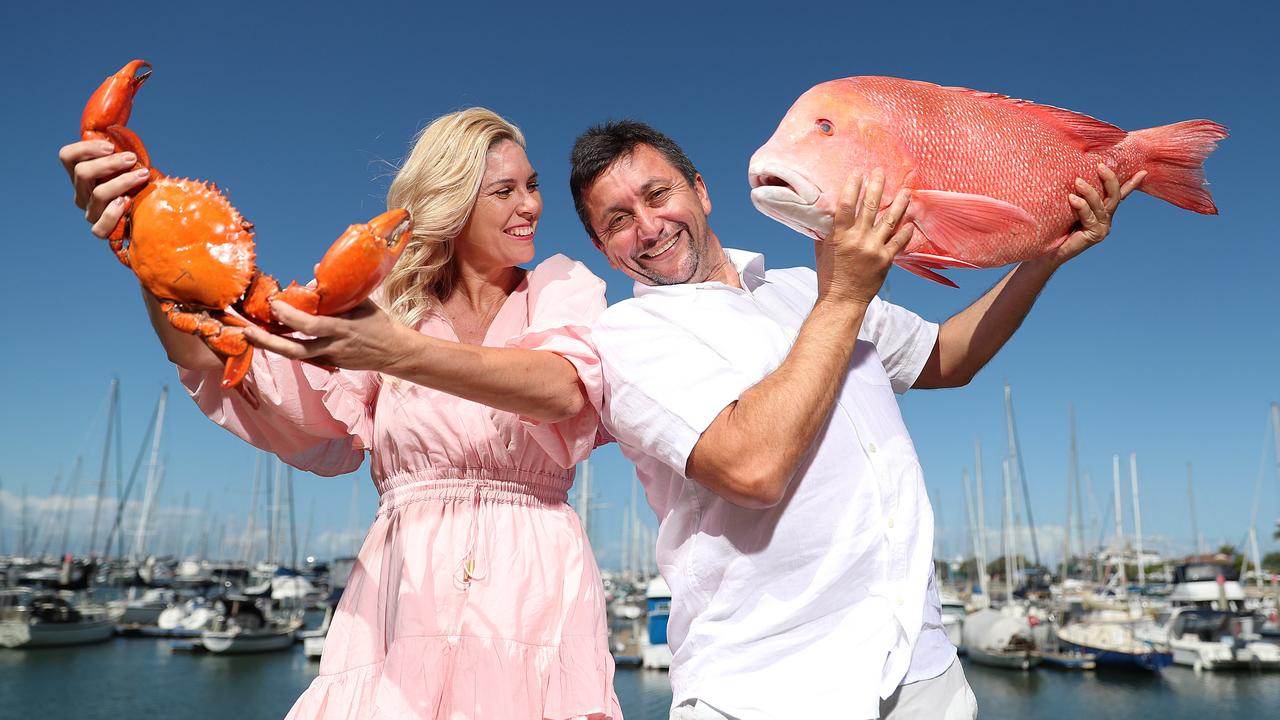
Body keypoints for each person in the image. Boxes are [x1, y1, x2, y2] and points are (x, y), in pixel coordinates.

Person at [569, 120, 1145, 720]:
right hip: (765, 689)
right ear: (602, 249)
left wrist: (1046, 257)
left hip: (921, 666)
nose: (648, 226)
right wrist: (844, 298)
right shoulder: (627, 337)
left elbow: (949, 356)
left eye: (658, 195)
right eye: (617, 220)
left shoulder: (802, 287)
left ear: (700, 190)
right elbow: (752, 467)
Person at [60, 108, 623, 720]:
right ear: (452, 203)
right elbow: (239, 366)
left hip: (535, 586)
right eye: (505, 191)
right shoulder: (383, 308)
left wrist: (399, 353)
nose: (532, 206)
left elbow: (564, 389)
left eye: (532, 185)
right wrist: (148, 252)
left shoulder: (560, 287)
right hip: (403, 593)